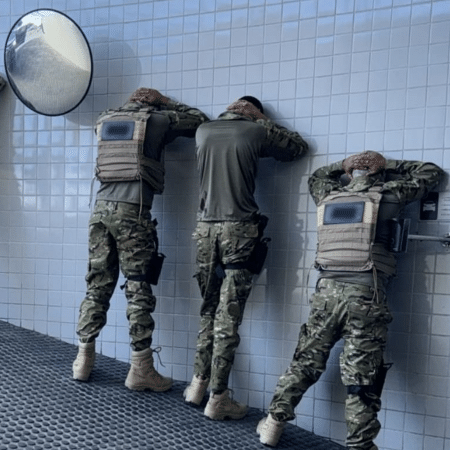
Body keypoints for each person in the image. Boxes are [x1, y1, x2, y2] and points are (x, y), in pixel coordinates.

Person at [257, 151, 444, 449]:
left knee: (305, 362)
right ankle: (360, 445)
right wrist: (387, 165)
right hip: (365, 297)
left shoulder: (327, 195)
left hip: (325, 293)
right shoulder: (389, 196)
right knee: (361, 378)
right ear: (378, 174)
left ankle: (273, 423)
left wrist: (344, 166)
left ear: (349, 174)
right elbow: (430, 171)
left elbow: (317, 175)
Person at [72, 88, 208, 392]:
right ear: (150, 101)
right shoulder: (157, 120)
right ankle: (141, 369)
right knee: (137, 288)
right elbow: (200, 120)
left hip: (99, 213)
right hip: (133, 214)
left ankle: (83, 359)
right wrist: (166, 102)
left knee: (98, 285)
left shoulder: (105, 119)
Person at [184, 96, 309, 420]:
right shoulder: (255, 131)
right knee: (229, 316)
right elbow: (296, 147)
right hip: (239, 232)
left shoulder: (203, 130)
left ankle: (198, 382)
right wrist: (261, 120)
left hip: (204, 231)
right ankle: (218, 397)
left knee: (209, 309)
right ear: (253, 112)